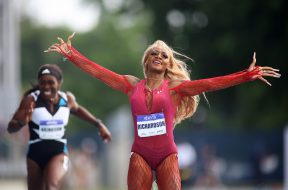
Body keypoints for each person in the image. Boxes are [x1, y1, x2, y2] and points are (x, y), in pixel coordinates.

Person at [45, 33, 280, 190]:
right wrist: (70, 54)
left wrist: (246, 75)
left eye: (164, 55)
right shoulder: (131, 84)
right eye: (154, 54)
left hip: (167, 155)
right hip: (140, 155)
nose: (158, 56)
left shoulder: (176, 88)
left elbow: (209, 84)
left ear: (168, 64)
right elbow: (99, 72)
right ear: (146, 62)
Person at [7, 64, 112, 190]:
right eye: (42, 83)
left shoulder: (67, 99)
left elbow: (78, 110)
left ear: (59, 83)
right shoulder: (31, 101)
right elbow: (10, 128)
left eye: (51, 82)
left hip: (59, 152)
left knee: (51, 185)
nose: (46, 87)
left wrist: (98, 124)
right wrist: (22, 122)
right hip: (35, 155)